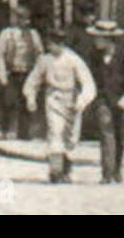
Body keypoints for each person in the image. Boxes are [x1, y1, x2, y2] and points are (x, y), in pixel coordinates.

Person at [23, 28, 97, 184]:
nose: (50, 48)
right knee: (55, 132)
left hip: (71, 100)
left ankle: (66, 169)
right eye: (49, 44)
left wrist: (82, 101)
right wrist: (31, 97)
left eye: (53, 44)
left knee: (71, 138)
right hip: (53, 99)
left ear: (61, 44)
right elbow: (33, 80)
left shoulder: (74, 60)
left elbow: (88, 83)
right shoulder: (45, 60)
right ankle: (55, 171)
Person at [87, 19, 124, 184]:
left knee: (120, 136)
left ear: (109, 39)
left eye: (99, 38)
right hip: (102, 100)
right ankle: (106, 173)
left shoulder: (123, 56)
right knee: (106, 133)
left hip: (121, 100)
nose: (96, 41)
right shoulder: (94, 56)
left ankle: (116, 169)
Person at [0, 7, 43, 140]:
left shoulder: (33, 34)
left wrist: (39, 73)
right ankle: (7, 129)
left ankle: (24, 132)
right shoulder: (7, 33)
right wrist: (1, 73)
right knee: (9, 101)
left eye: (26, 18)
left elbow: (39, 53)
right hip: (12, 72)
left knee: (27, 101)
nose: (24, 21)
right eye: (21, 18)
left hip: (27, 72)